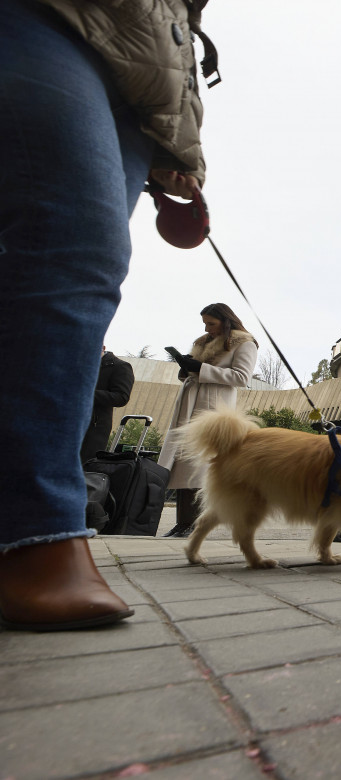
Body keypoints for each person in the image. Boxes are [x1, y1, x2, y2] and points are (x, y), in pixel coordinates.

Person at [0, 0, 211, 631]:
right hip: (54, 17)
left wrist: (179, 142)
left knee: (73, 252)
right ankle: (34, 528)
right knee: (73, 245)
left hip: (141, 70)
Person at [159, 304, 258, 538]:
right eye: (205, 323)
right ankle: (183, 523)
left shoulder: (244, 342)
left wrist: (201, 368)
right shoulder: (202, 341)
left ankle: (193, 524)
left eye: (211, 323)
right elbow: (193, 372)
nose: (207, 328)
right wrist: (187, 367)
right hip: (189, 404)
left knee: (200, 465)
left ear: (226, 321)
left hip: (214, 410)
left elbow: (242, 377)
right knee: (182, 464)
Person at [81, 347, 135, 463]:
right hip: (68, 422)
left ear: (103, 348)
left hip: (94, 427)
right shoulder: (80, 363)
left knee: (84, 466)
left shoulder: (120, 366)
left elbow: (121, 397)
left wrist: (86, 393)